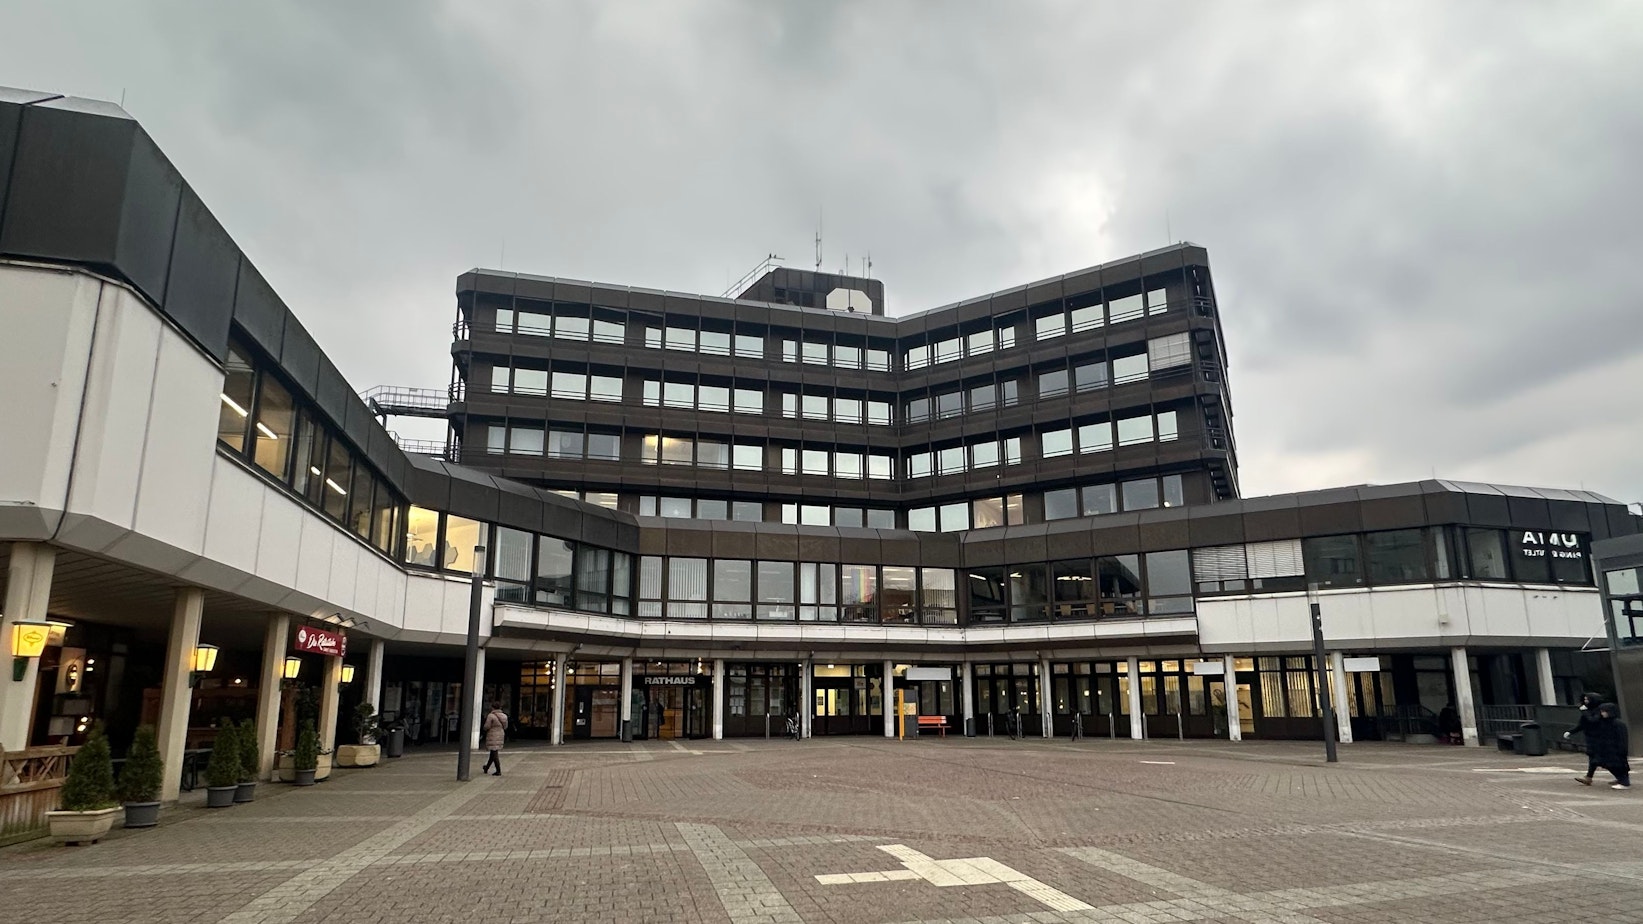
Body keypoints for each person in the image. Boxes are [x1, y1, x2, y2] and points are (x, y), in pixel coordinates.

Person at [1586, 703, 1631, 790]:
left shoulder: (1618, 724)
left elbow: (1622, 738)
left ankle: (1624, 782)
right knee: (1608, 764)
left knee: (1616, 765)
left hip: (1615, 749)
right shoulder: (1605, 722)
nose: (1602, 713)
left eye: (1604, 711)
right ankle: (1622, 780)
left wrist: (1622, 750)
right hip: (1607, 749)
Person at [1565, 692, 1606, 785]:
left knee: (1599, 758)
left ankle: (1621, 776)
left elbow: (1593, 720)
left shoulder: (1598, 709)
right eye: (1585, 700)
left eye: (1587, 699)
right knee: (1593, 758)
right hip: (1591, 737)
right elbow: (1582, 724)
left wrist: (1584, 712)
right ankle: (1589, 777)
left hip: (1600, 737)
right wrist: (1571, 731)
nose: (1585, 701)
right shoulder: (1588, 710)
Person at [481, 702, 508, 776]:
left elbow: (487, 726)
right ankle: (486, 767)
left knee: (494, 752)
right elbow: (505, 726)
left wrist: (484, 729)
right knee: (493, 752)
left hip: (492, 734)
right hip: (501, 734)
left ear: (493, 707)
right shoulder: (504, 716)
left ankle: (498, 770)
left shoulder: (491, 716)